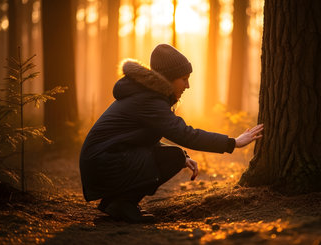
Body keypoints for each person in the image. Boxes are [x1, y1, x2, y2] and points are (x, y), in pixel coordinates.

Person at [79, 44, 263, 223]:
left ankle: (116, 203)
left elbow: (134, 140)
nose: (188, 85)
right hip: (103, 162)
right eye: (184, 79)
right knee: (173, 157)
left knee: (176, 156)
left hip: (104, 159)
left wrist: (181, 157)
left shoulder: (146, 95)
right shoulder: (149, 99)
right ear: (168, 79)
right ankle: (123, 204)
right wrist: (233, 143)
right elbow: (184, 134)